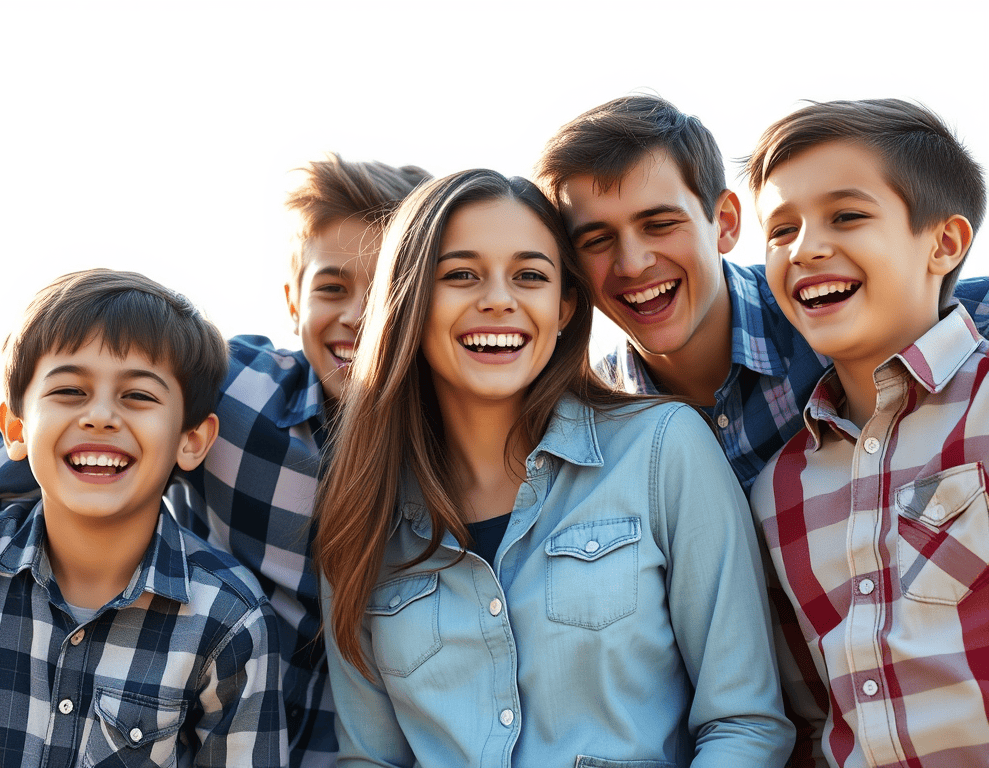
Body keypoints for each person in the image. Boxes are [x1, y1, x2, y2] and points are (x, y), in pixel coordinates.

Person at [313, 169, 793, 767]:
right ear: (409, 300)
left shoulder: (663, 450)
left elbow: (744, 725)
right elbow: (370, 758)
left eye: (530, 276)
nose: (498, 298)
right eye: (461, 274)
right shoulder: (362, 513)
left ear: (564, 306)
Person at [0, 154, 431, 767]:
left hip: (347, 744)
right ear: (292, 300)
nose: (358, 315)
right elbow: (34, 449)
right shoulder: (235, 397)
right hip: (173, 687)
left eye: (392, 290)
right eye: (332, 287)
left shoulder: (464, 450)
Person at [534, 95, 989, 493]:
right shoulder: (593, 422)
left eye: (660, 225)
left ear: (726, 223)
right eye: (596, 240)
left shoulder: (831, 310)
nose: (631, 264)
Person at [745, 99, 989, 767]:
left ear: (943, 243)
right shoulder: (775, 492)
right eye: (781, 230)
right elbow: (811, 720)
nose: (806, 248)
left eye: (847, 216)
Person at [0, 269, 287, 767]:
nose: (100, 416)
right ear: (15, 428)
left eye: (138, 395)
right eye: (69, 391)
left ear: (191, 440)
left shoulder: (228, 620)